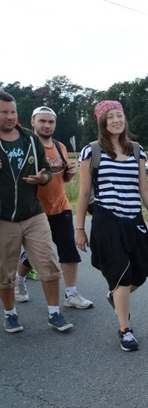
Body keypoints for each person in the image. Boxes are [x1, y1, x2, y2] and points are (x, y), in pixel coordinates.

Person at [75, 100, 148, 351]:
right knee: (122, 276)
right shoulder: (91, 152)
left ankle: (115, 296)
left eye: (120, 115)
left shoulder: (137, 150)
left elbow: (144, 187)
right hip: (107, 218)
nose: (116, 120)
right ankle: (125, 330)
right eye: (110, 116)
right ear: (102, 122)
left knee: (141, 273)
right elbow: (83, 193)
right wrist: (79, 229)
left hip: (133, 219)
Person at [0, 91, 72, 333]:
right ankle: (10, 314)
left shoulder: (30, 139)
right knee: (4, 272)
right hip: (3, 219)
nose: (10, 117)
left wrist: (43, 177)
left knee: (49, 264)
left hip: (33, 214)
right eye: (4, 113)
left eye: (13, 112)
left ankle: (54, 314)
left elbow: (47, 172)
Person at [14, 106, 94, 310]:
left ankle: (71, 294)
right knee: (36, 255)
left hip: (61, 206)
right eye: (42, 121)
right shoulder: (25, 145)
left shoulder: (60, 147)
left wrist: (69, 174)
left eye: (50, 122)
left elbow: (62, 178)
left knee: (68, 249)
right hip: (35, 210)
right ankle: (19, 280)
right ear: (32, 122)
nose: (47, 125)